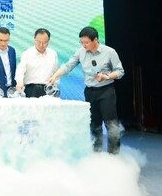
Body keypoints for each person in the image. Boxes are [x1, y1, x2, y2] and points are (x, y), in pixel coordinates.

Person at [48, 26, 124, 154]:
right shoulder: (80, 52)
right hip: (90, 92)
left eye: (86, 42)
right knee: (94, 124)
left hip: (106, 91)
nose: (83, 45)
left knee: (111, 124)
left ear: (95, 40)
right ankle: (96, 153)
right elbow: (68, 66)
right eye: (81, 42)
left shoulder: (110, 52)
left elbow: (120, 71)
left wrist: (107, 76)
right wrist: (55, 76)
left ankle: (114, 155)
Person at [15, 28, 58, 98]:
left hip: (48, 90)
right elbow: (20, 70)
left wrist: (55, 84)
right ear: (34, 39)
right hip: (31, 89)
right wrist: (19, 82)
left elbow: (56, 73)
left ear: (48, 41)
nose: (41, 45)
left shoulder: (53, 54)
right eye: (38, 42)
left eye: (44, 42)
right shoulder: (27, 54)